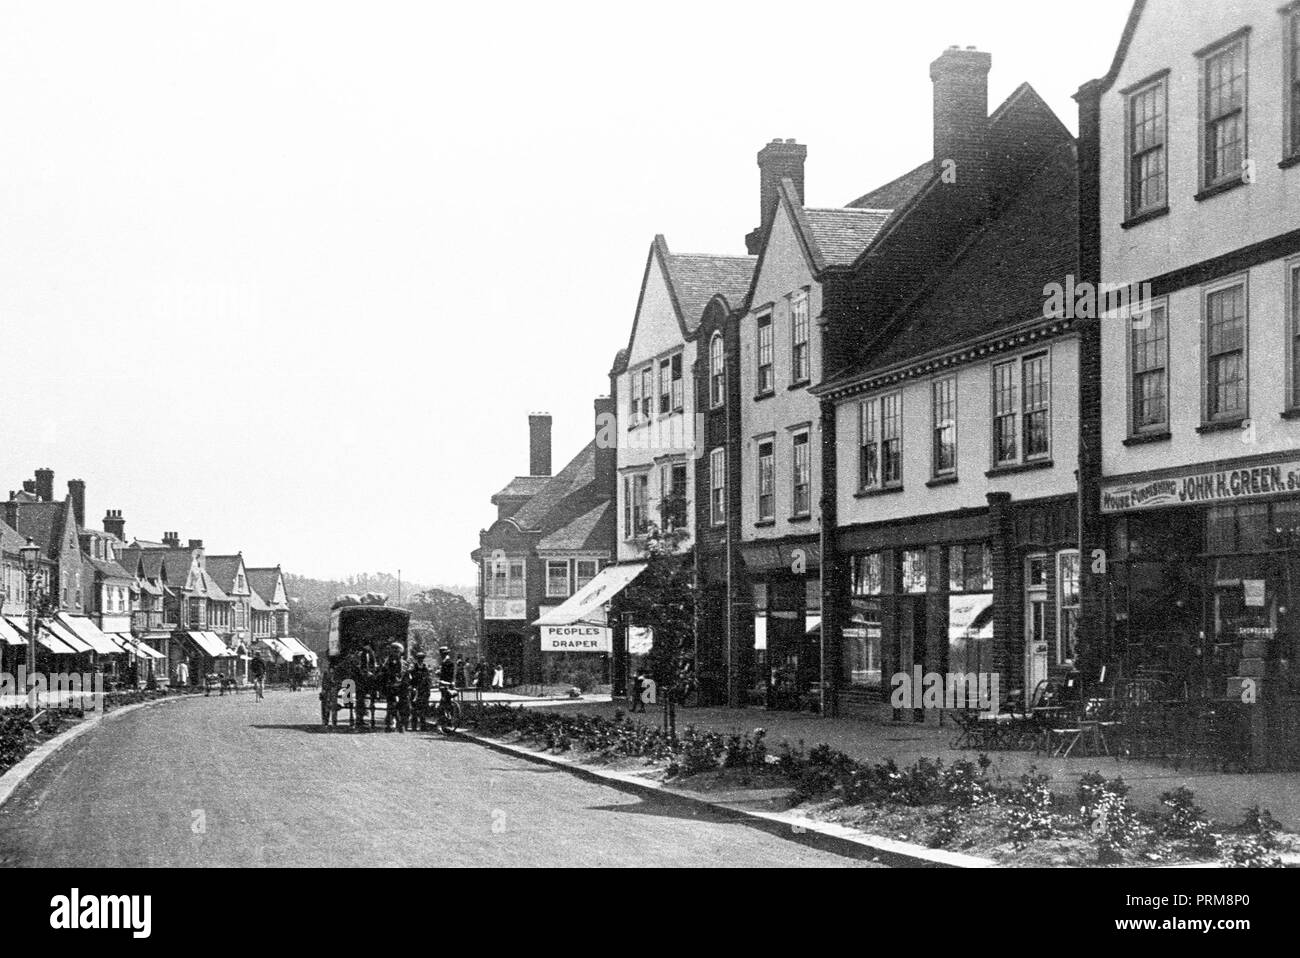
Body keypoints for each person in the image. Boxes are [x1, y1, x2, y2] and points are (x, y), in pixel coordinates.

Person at [380, 642, 409, 733]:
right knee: (391, 705)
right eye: (394, 651)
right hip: (390, 686)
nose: (396, 653)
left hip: (401, 687)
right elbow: (384, 674)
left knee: (403, 705)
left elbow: (406, 675)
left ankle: (401, 723)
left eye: (398, 651)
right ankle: (392, 723)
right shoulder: (387, 662)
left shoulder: (404, 663)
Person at [408, 651, 433, 731]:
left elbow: (428, 678)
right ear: (417, 659)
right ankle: (414, 726)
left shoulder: (425, 667)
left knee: (423, 707)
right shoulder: (414, 667)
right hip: (415, 688)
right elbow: (411, 677)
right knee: (414, 708)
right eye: (419, 659)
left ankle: (423, 726)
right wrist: (412, 686)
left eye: (422, 658)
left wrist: (428, 687)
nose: (420, 660)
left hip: (423, 689)